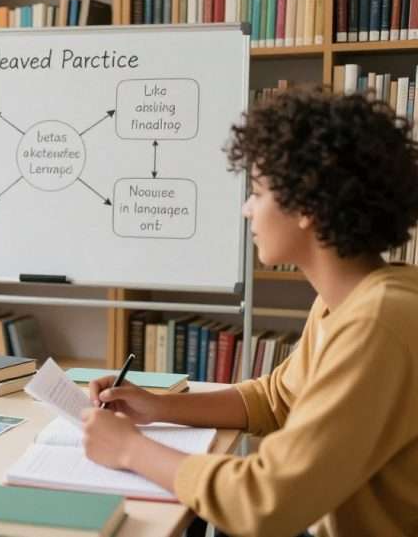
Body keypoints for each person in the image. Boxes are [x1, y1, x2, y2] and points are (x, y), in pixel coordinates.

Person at [80, 87, 418, 537]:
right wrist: (159, 406)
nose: (246, 210)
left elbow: (265, 502)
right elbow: (275, 399)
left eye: (256, 192)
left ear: (306, 205)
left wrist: (130, 450)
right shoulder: (353, 299)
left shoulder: (378, 322)